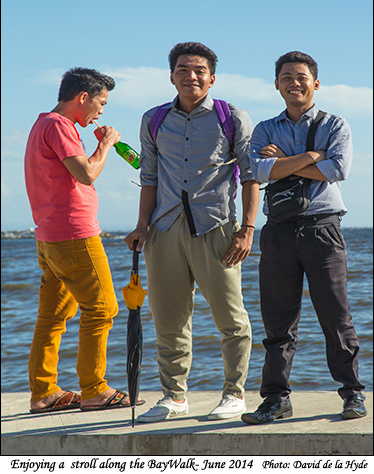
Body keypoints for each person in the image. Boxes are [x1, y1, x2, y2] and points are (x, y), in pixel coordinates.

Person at [125, 42, 260, 422]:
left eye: (199, 70)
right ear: (171, 76)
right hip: (164, 229)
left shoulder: (231, 116)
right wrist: (141, 226)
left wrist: (247, 230)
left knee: (231, 318)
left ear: (212, 77)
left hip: (217, 227)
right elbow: (149, 177)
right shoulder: (153, 119)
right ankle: (173, 396)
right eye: (183, 70)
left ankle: (234, 394)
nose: (191, 76)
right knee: (168, 319)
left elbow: (250, 177)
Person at [241, 51, 367, 425]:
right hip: (277, 231)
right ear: (276, 84)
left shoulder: (336, 123)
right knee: (278, 322)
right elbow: (258, 170)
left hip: (321, 228)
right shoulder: (264, 128)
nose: (294, 82)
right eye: (286, 77)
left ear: (315, 83)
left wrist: (286, 162)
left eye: (301, 76)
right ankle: (276, 399)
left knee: (336, 316)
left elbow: (338, 168)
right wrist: (311, 156)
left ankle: (352, 394)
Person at [25, 67, 140, 413]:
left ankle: (43, 392)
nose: (101, 112)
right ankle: (94, 389)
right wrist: (105, 145)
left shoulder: (41, 124)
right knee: (103, 308)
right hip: (74, 233)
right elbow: (86, 173)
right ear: (83, 98)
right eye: (101, 103)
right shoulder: (60, 126)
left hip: (49, 235)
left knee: (53, 315)